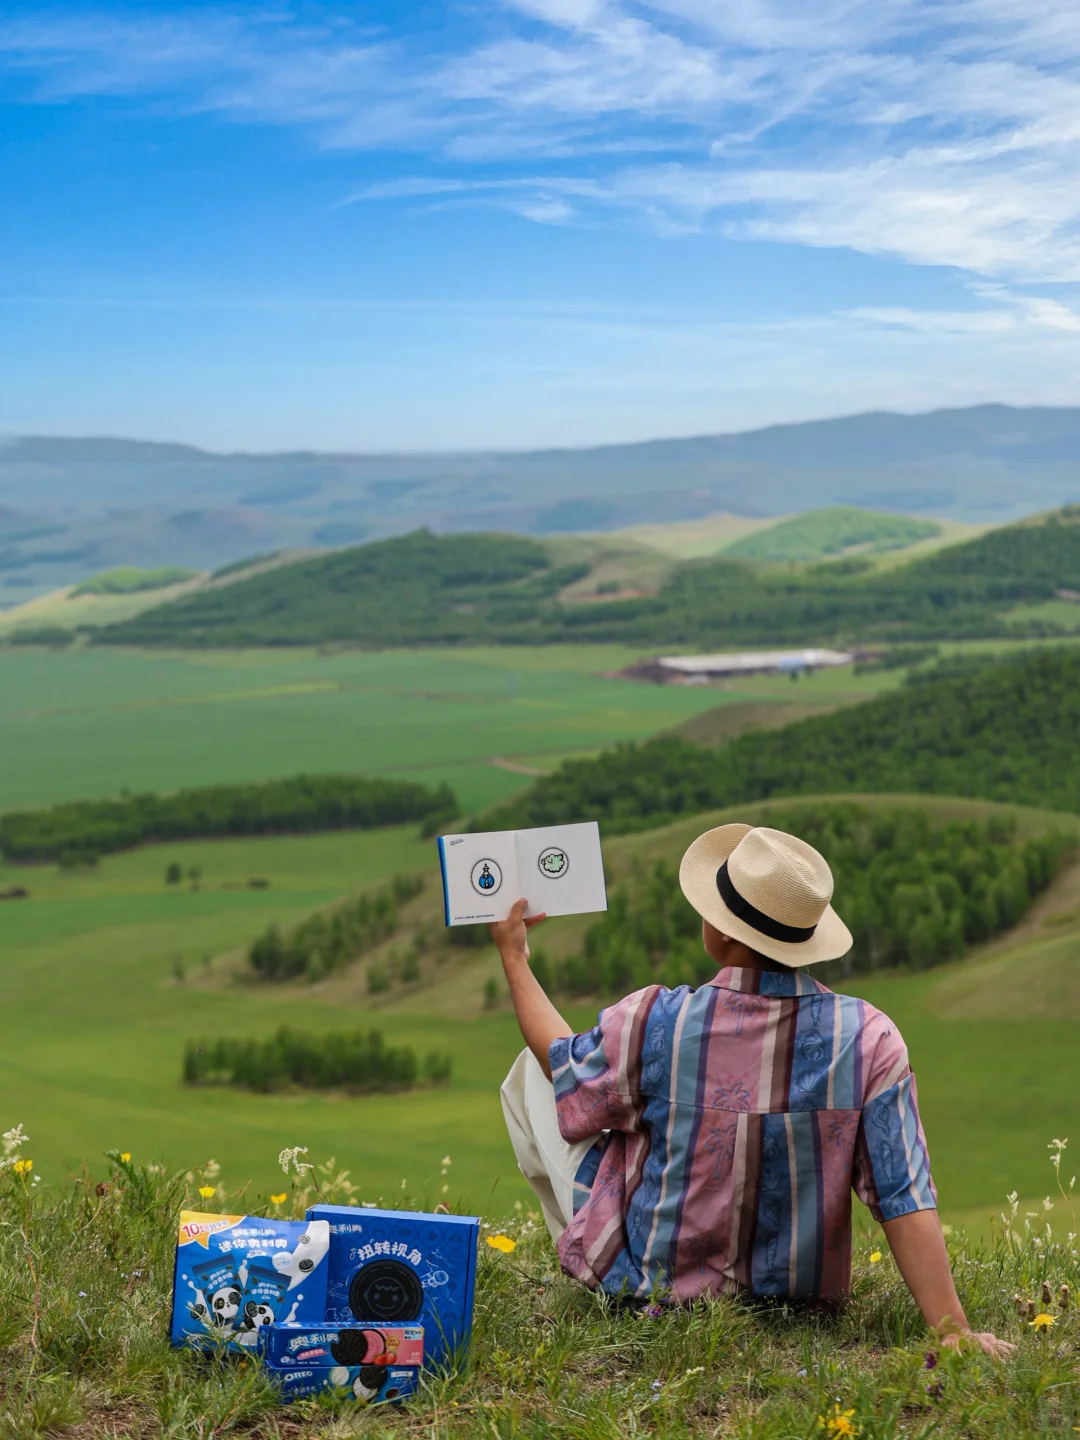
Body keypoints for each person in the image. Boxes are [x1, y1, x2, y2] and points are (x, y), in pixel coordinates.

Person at [493, 822, 1013, 1356]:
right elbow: (904, 1193)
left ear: (718, 934)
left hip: (654, 1294)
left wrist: (514, 955)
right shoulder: (870, 1039)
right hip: (801, 1304)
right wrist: (952, 1331)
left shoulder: (656, 1021)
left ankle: (590, 1258)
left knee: (534, 1073)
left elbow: (562, 1064)